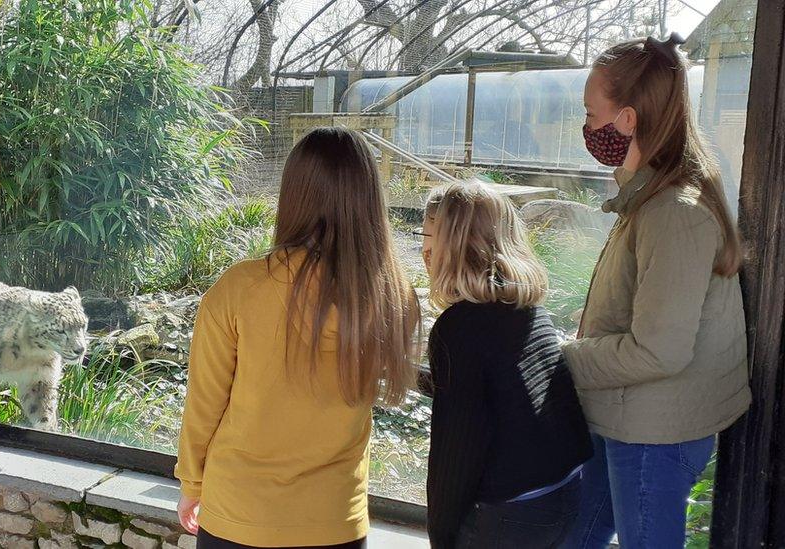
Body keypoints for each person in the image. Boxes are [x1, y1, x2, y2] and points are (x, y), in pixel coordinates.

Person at [174, 127, 421, 549]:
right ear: (368, 200)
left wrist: (192, 482)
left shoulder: (240, 288)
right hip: (336, 520)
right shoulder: (393, 296)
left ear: (293, 195)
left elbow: (205, 404)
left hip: (239, 514)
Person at [562, 34, 752, 549]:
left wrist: (561, 359)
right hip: (626, 414)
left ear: (626, 120)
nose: (586, 125)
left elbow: (659, 350)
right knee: (578, 535)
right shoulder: (649, 196)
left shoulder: (673, 213)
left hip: (654, 431)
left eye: (590, 111)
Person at [420, 182, 594, 549]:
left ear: (455, 245)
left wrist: (441, 535)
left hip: (510, 513)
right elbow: (504, 395)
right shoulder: (525, 306)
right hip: (564, 493)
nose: (424, 250)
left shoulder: (459, 327)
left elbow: (457, 451)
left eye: (430, 235)